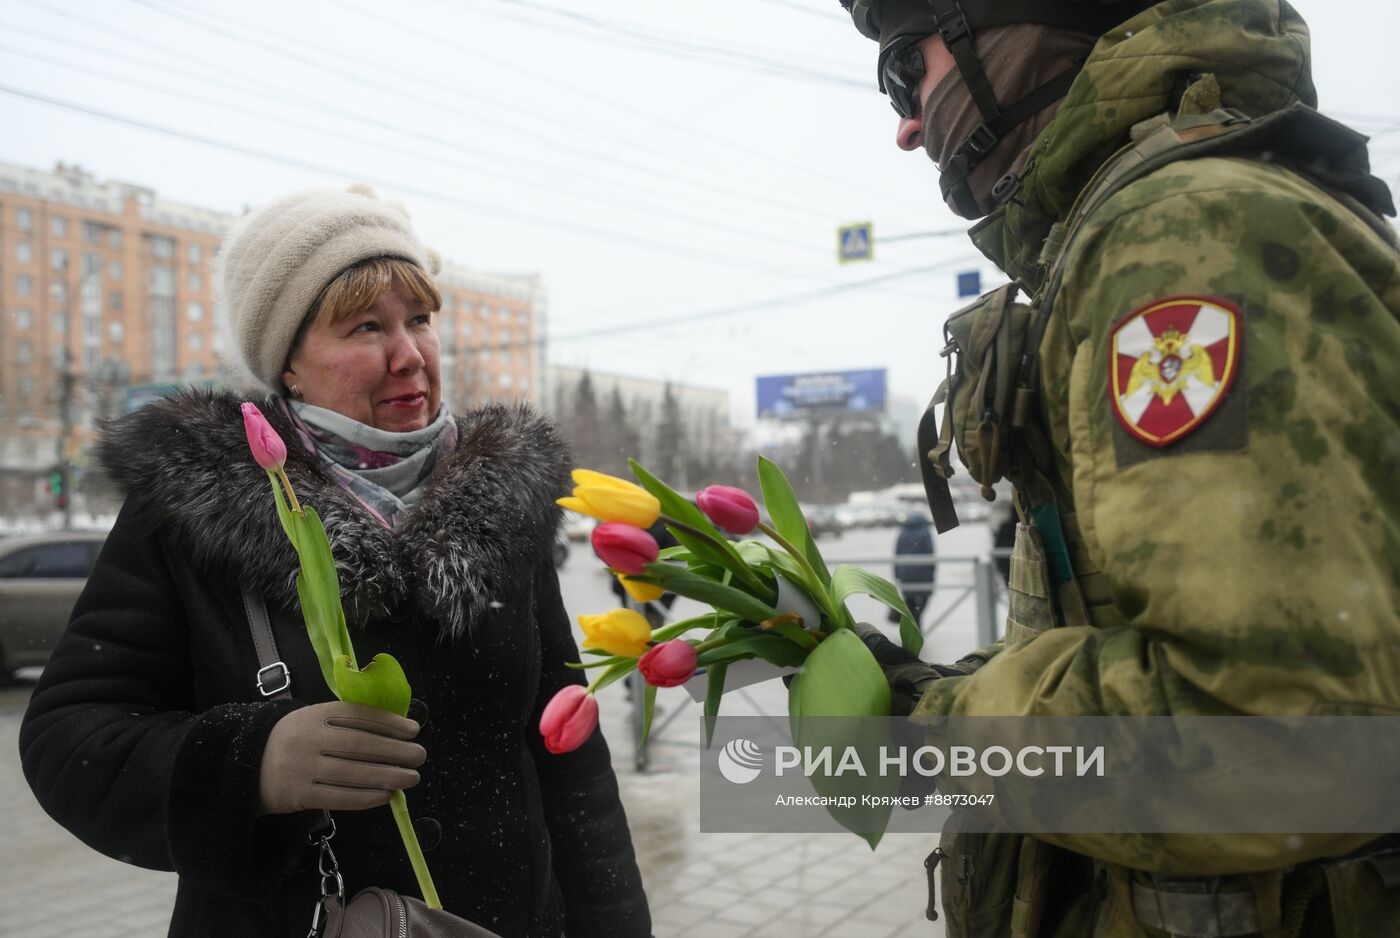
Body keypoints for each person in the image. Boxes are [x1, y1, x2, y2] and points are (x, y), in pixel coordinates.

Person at [839, 0, 1400, 934]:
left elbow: (1261, 733)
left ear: (1014, 31)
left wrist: (939, 733)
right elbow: (1145, 631)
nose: (905, 124)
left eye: (907, 70)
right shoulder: (1169, 216)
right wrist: (936, 691)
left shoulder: (1185, 232)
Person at [19, 186, 652, 938]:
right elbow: (68, 736)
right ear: (288, 362)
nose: (409, 354)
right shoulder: (192, 509)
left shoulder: (505, 501)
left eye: (419, 320)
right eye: (364, 327)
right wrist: (250, 762)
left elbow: (570, 759)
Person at [891, 510, 936, 630]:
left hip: (906, 573)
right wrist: (932, 569)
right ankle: (916, 622)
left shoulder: (902, 532)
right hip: (923, 572)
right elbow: (930, 553)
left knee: (910, 599)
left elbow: (897, 554)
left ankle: (912, 624)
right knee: (924, 598)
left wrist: (897, 573)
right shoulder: (925, 532)